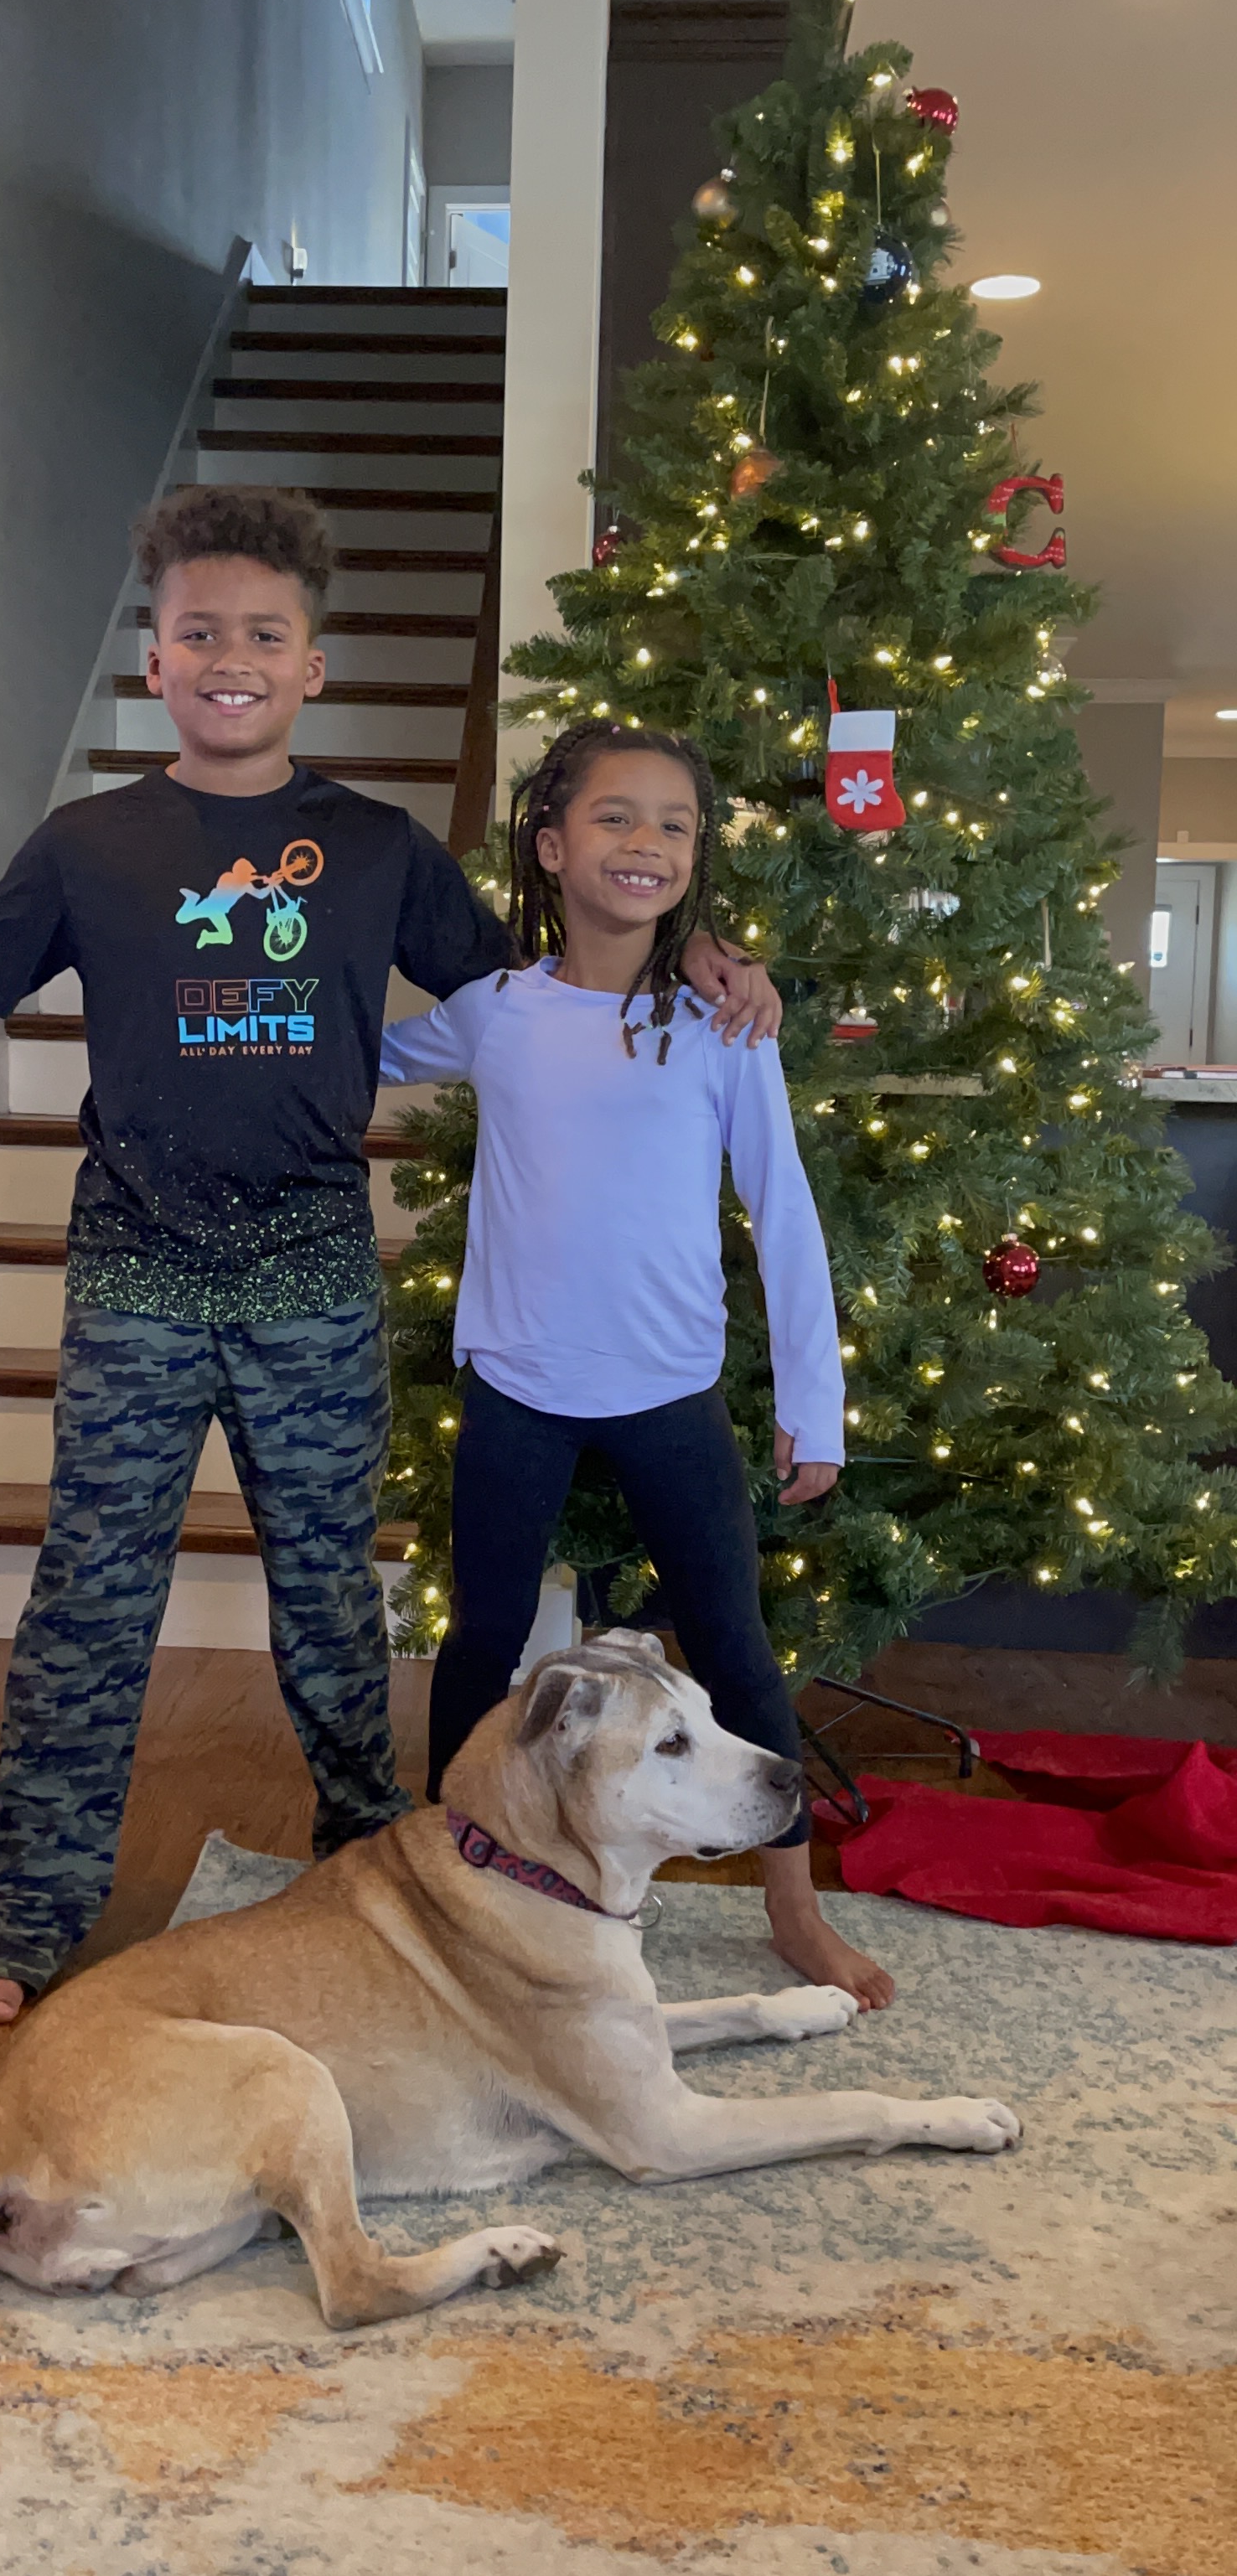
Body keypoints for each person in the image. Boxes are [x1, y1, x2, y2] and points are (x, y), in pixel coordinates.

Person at [0, 487, 782, 2025]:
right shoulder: (90, 843)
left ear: (312, 665)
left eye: (266, 635)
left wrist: (699, 952)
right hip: (137, 1280)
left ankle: (383, 1884)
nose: (234, 658)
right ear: (154, 660)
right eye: (201, 633)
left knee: (328, 1609)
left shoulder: (376, 849)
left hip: (312, 1283)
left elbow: (558, 980)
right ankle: (30, 1906)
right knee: (90, 1604)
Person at [377, 720, 893, 2011]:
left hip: (670, 1393)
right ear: (551, 847)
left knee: (733, 1645)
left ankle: (794, 1908)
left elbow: (782, 1209)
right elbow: (352, 1052)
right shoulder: (496, 1012)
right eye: (615, 816)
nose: (646, 841)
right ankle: (455, 1890)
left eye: (675, 823)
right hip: (517, 1388)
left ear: (696, 858)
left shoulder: (722, 1023)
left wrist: (816, 1402)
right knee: (483, 1638)